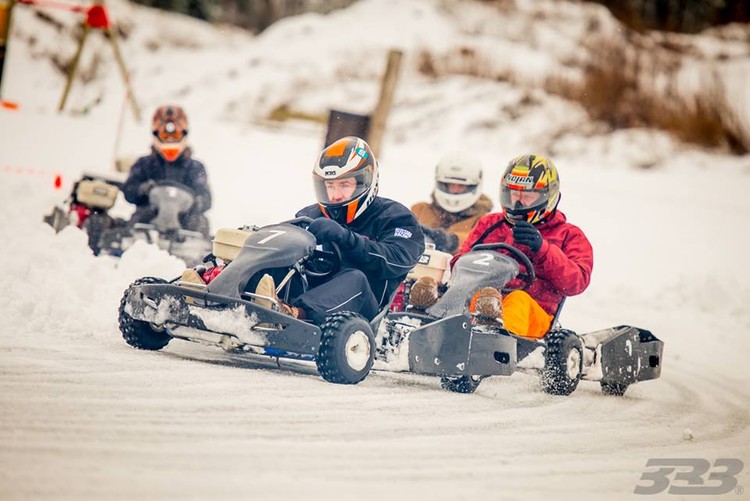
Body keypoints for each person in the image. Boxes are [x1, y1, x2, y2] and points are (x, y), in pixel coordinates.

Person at [409, 154, 593, 339]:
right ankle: (423, 318)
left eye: (527, 196)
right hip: (482, 299)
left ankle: (492, 336)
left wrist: (543, 250)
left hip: (533, 312)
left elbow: (577, 282)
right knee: (462, 294)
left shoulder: (569, 235)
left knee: (517, 300)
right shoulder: (490, 223)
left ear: (548, 196)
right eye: (514, 195)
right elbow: (461, 260)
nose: (518, 203)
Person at [255, 136, 425, 325]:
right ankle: (235, 302)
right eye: (330, 186)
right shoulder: (310, 214)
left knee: (355, 278)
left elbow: (397, 259)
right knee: (274, 261)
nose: (335, 196)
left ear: (365, 182)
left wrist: (347, 239)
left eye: (344, 185)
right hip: (309, 291)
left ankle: (290, 315)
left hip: (362, 314)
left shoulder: (395, 217)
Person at [121, 105, 212, 237]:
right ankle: (134, 247)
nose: (170, 139)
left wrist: (197, 201)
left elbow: (206, 196)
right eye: (165, 135)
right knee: (139, 217)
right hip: (150, 213)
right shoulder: (144, 164)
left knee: (200, 222)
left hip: (184, 217)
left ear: (183, 134)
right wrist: (143, 189)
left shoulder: (195, 167)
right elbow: (129, 190)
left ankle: (198, 253)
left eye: (175, 135)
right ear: (156, 134)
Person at [410, 151, 493, 254]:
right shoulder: (420, 210)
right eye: (450, 184)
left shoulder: (485, 222)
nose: (455, 190)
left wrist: (451, 241)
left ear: (473, 185)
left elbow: (482, 243)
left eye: (461, 185)